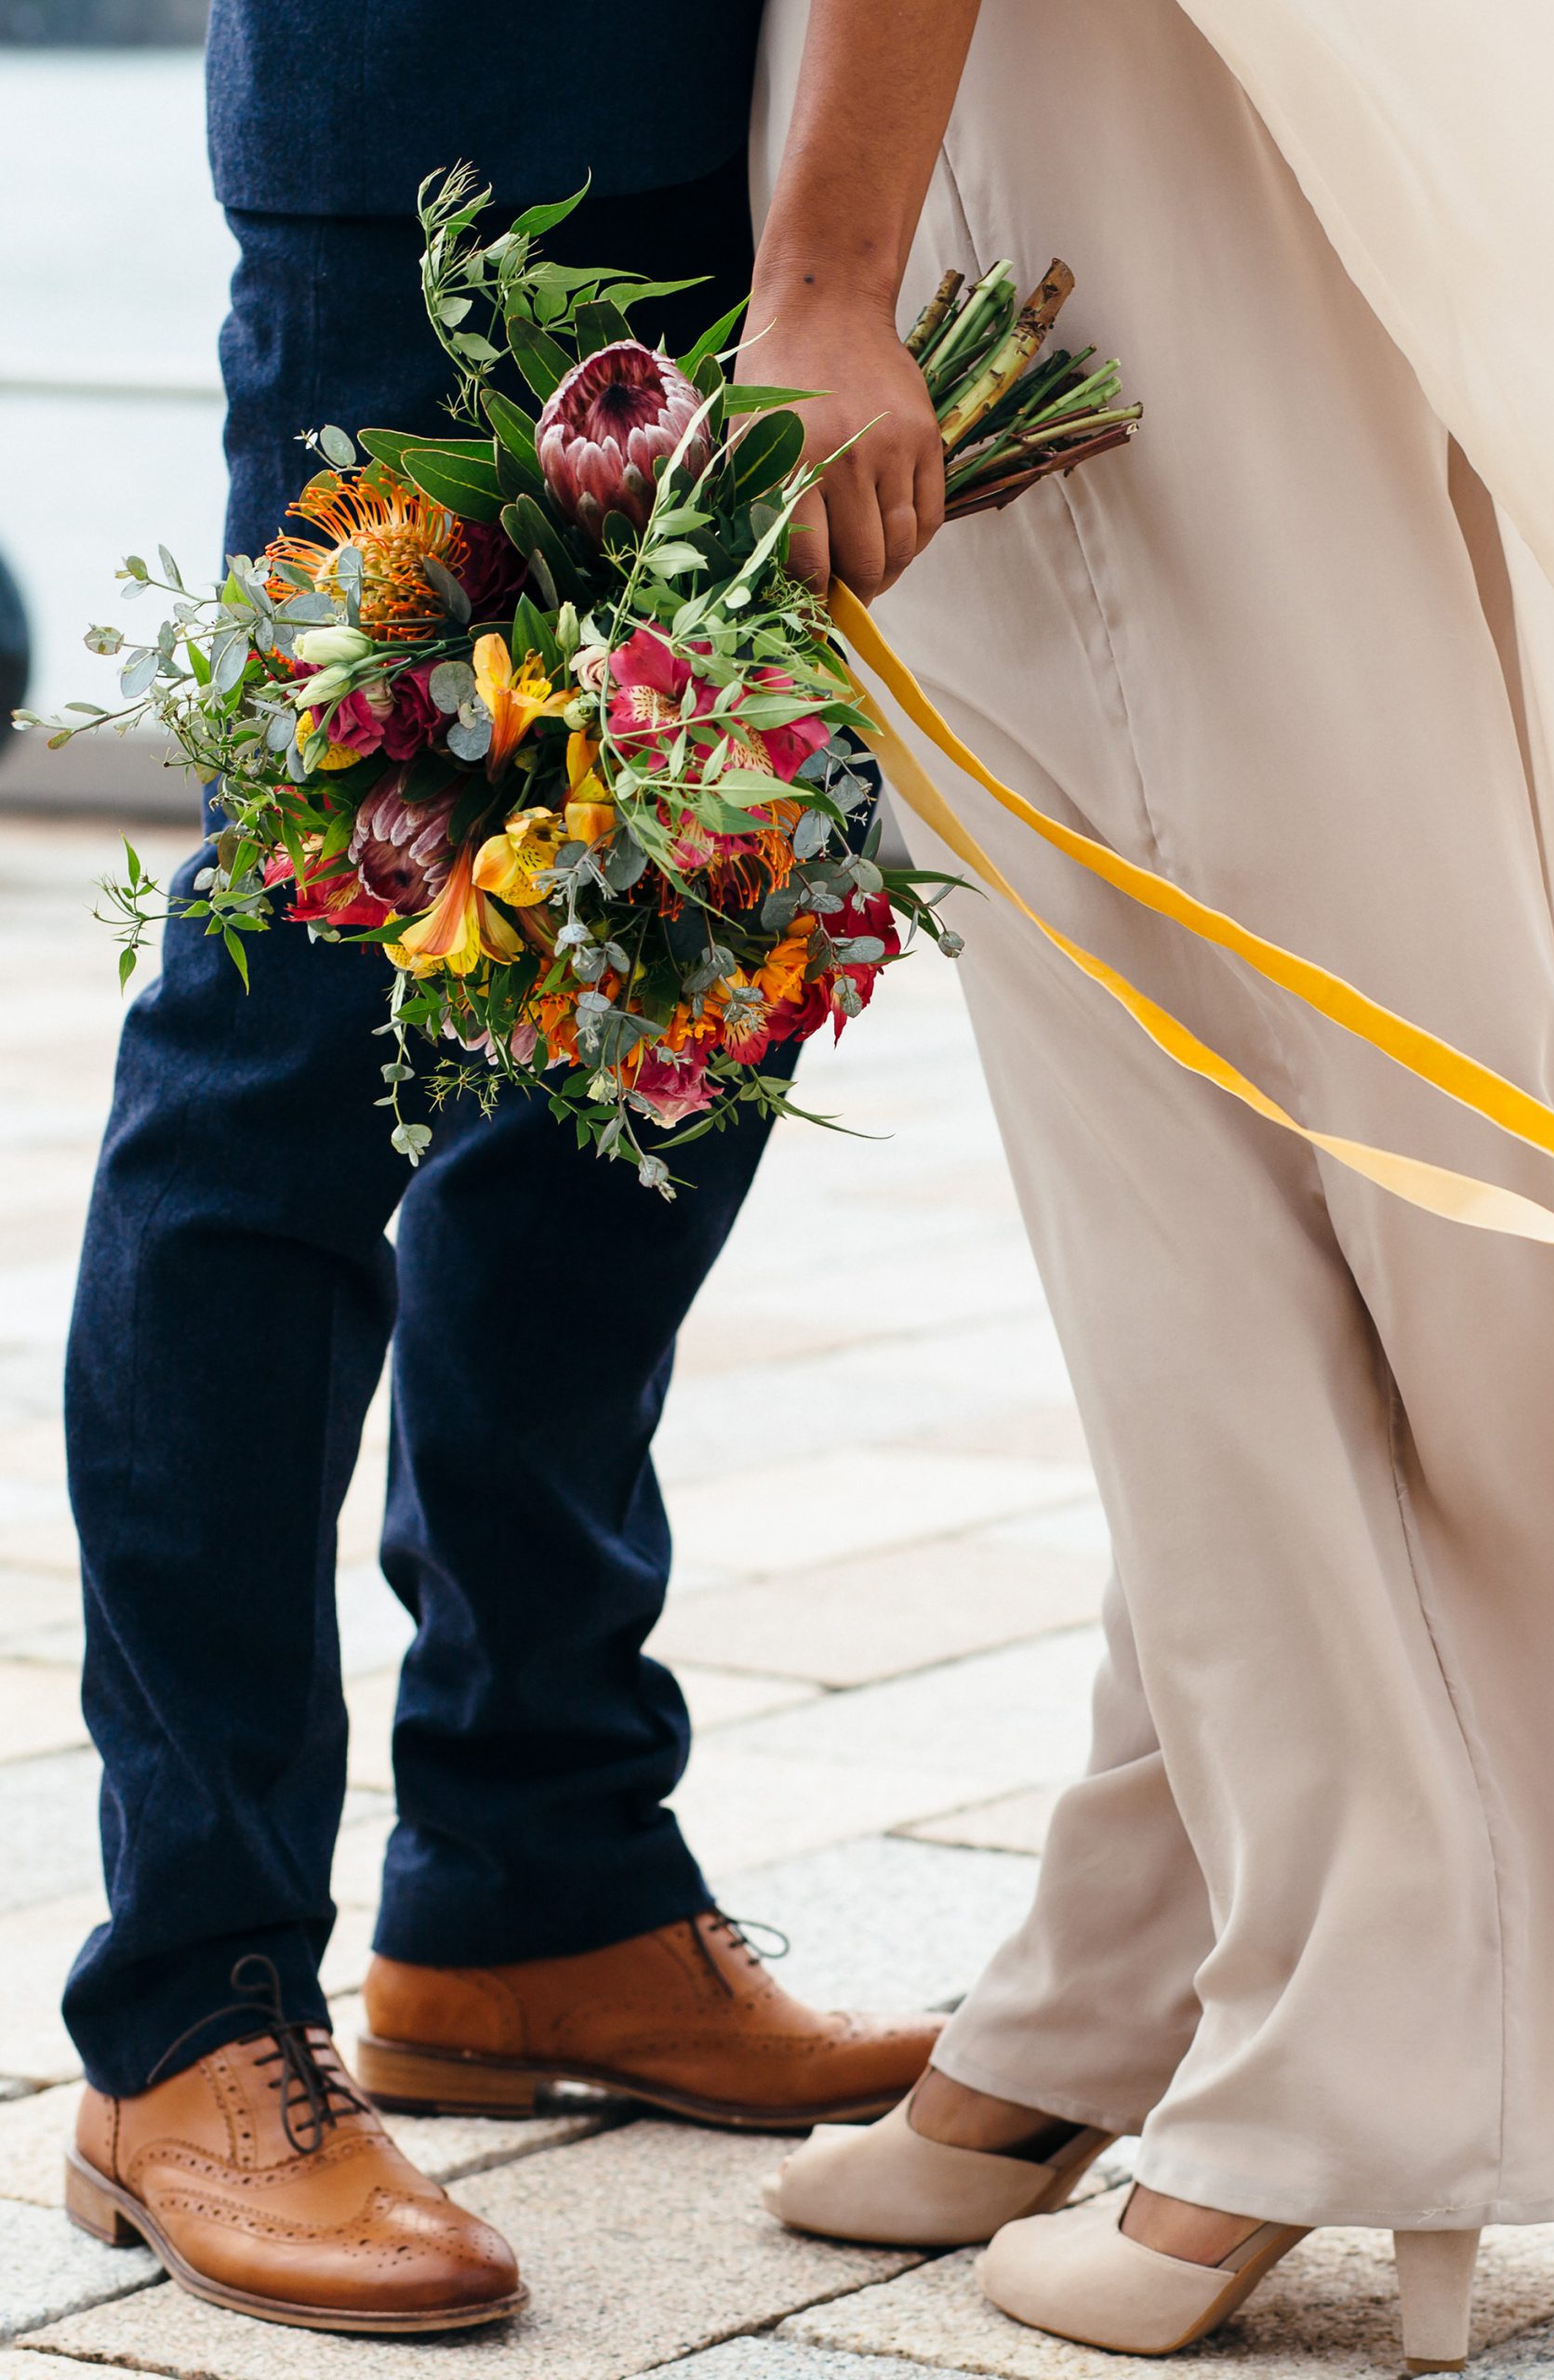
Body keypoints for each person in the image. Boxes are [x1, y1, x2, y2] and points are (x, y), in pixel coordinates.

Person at [59, 0, 938, 2334]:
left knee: (678, 993)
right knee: (301, 1037)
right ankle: (186, 1998)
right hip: (452, 108)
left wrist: (833, 254)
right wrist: (827, 270)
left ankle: (533, 1866)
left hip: (772, 141)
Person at [745, 0, 1554, 2367]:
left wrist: (825, 272)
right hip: (1271, 121)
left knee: (1202, 1127)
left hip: (1057, 126)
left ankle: (1352, 2062)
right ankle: (1119, 1972)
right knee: (1350, 1043)